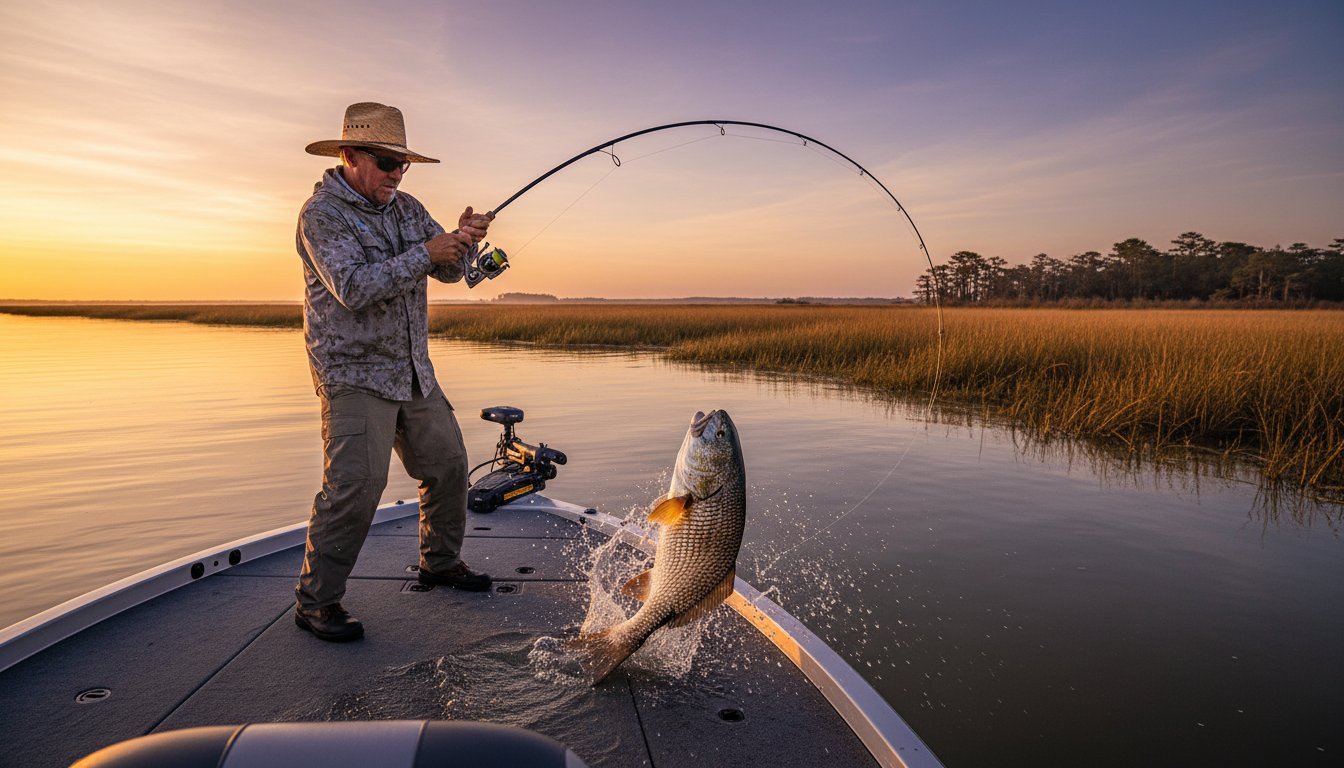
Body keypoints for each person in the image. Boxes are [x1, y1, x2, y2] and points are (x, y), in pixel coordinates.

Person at [293, 101, 494, 642]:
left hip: (413, 370)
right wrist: (427, 253)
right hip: (353, 374)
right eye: (386, 162)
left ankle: (440, 564)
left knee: (449, 464)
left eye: (402, 164)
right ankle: (316, 603)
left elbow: (449, 272)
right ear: (350, 156)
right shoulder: (321, 216)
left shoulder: (408, 208)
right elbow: (353, 288)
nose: (397, 173)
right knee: (356, 486)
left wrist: (463, 240)